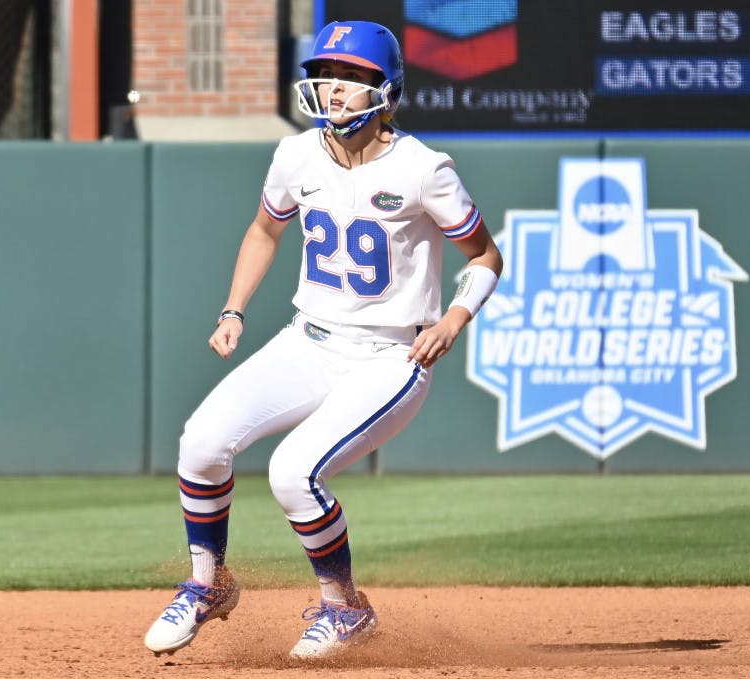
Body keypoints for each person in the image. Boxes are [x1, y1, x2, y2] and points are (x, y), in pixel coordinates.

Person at [144, 19, 503, 661]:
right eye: (324, 74)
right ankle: (208, 585)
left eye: (351, 76)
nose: (333, 88)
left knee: (292, 472)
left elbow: (484, 256)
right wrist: (234, 309)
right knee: (199, 443)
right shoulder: (296, 155)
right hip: (308, 340)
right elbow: (263, 231)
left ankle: (345, 608)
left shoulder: (425, 168)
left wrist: (455, 319)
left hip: (392, 354)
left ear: (385, 89)